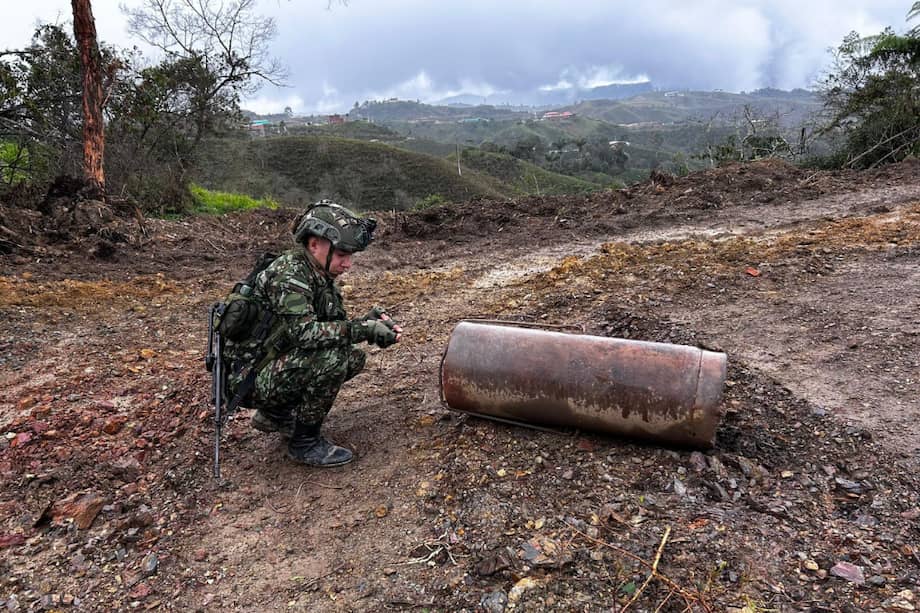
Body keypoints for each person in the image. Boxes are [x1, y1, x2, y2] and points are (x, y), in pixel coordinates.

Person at [225, 200, 402, 467]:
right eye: (341, 254)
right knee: (333, 361)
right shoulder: (289, 275)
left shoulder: (318, 273)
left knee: (352, 357)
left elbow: (331, 328)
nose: (347, 264)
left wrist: (369, 322)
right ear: (314, 244)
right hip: (247, 379)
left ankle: (274, 414)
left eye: (350, 256)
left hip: (268, 365)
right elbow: (306, 334)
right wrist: (364, 330)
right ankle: (304, 443)